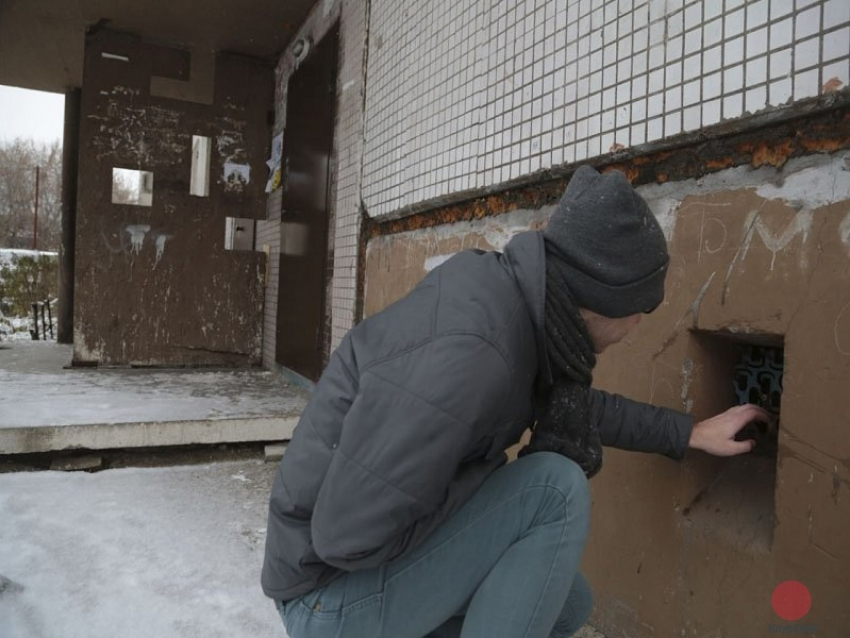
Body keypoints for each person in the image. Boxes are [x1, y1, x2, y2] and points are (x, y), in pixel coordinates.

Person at [261, 165, 771, 638]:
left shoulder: (511, 300)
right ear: (604, 298)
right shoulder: (476, 360)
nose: (639, 327)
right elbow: (346, 535)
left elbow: (569, 407)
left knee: (568, 603)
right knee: (553, 490)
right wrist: (488, 482)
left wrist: (688, 433)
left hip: (339, 570)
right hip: (323, 600)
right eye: (642, 307)